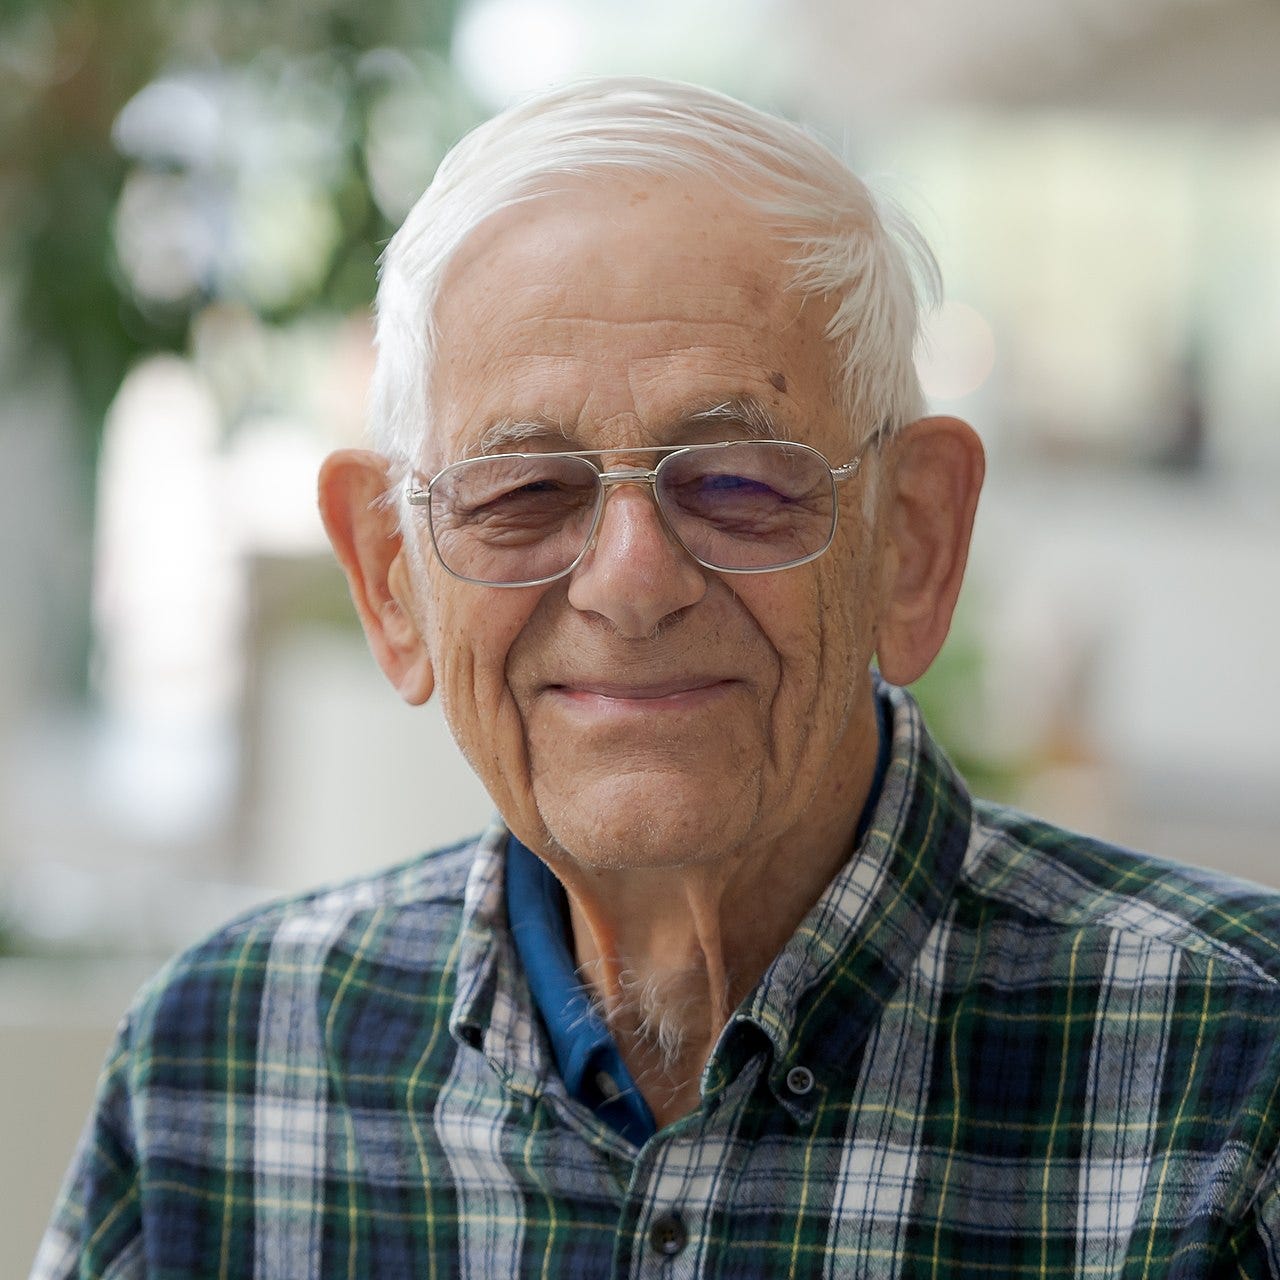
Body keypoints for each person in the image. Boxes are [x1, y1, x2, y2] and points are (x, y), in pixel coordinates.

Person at [34, 77, 1280, 1279]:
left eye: (737, 482)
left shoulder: (1233, 1077)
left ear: (910, 541)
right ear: (390, 578)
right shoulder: (217, 1076)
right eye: (522, 491)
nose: (630, 582)